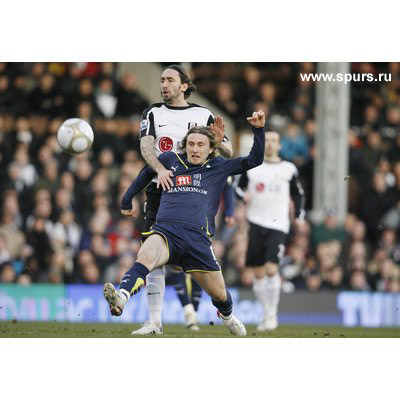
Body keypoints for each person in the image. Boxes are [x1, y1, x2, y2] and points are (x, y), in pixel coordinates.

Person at [103, 110, 266, 336]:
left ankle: (227, 315)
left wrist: (258, 130)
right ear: (185, 145)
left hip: (197, 239)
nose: (195, 149)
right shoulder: (170, 160)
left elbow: (255, 159)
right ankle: (121, 298)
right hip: (166, 232)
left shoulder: (219, 166)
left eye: (200, 145)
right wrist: (126, 198)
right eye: (191, 144)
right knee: (145, 256)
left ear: (211, 148)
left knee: (220, 295)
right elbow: (145, 172)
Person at [136, 64, 233, 334]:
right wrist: (159, 170)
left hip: (195, 193)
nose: (163, 84)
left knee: (190, 259)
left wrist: (219, 141)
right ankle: (155, 322)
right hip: (160, 189)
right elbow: (146, 146)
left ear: (184, 86)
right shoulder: (152, 112)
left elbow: (227, 150)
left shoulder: (203, 113)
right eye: (161, 80)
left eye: (169, 80)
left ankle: (210, 307)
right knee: (150, 253)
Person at [234, 130, 305, 331]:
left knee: (272, 268)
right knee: (257, 273)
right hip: (255, 222)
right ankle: (266, 313)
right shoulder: (253, 168)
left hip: (278, 224)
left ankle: (272, 314)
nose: (271, 144)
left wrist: (299, 216)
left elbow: (298, 194)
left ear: (280, 145)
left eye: (274, 141)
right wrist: (242, 197)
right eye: (268, 141)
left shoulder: (288, 169)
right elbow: (238, 188)